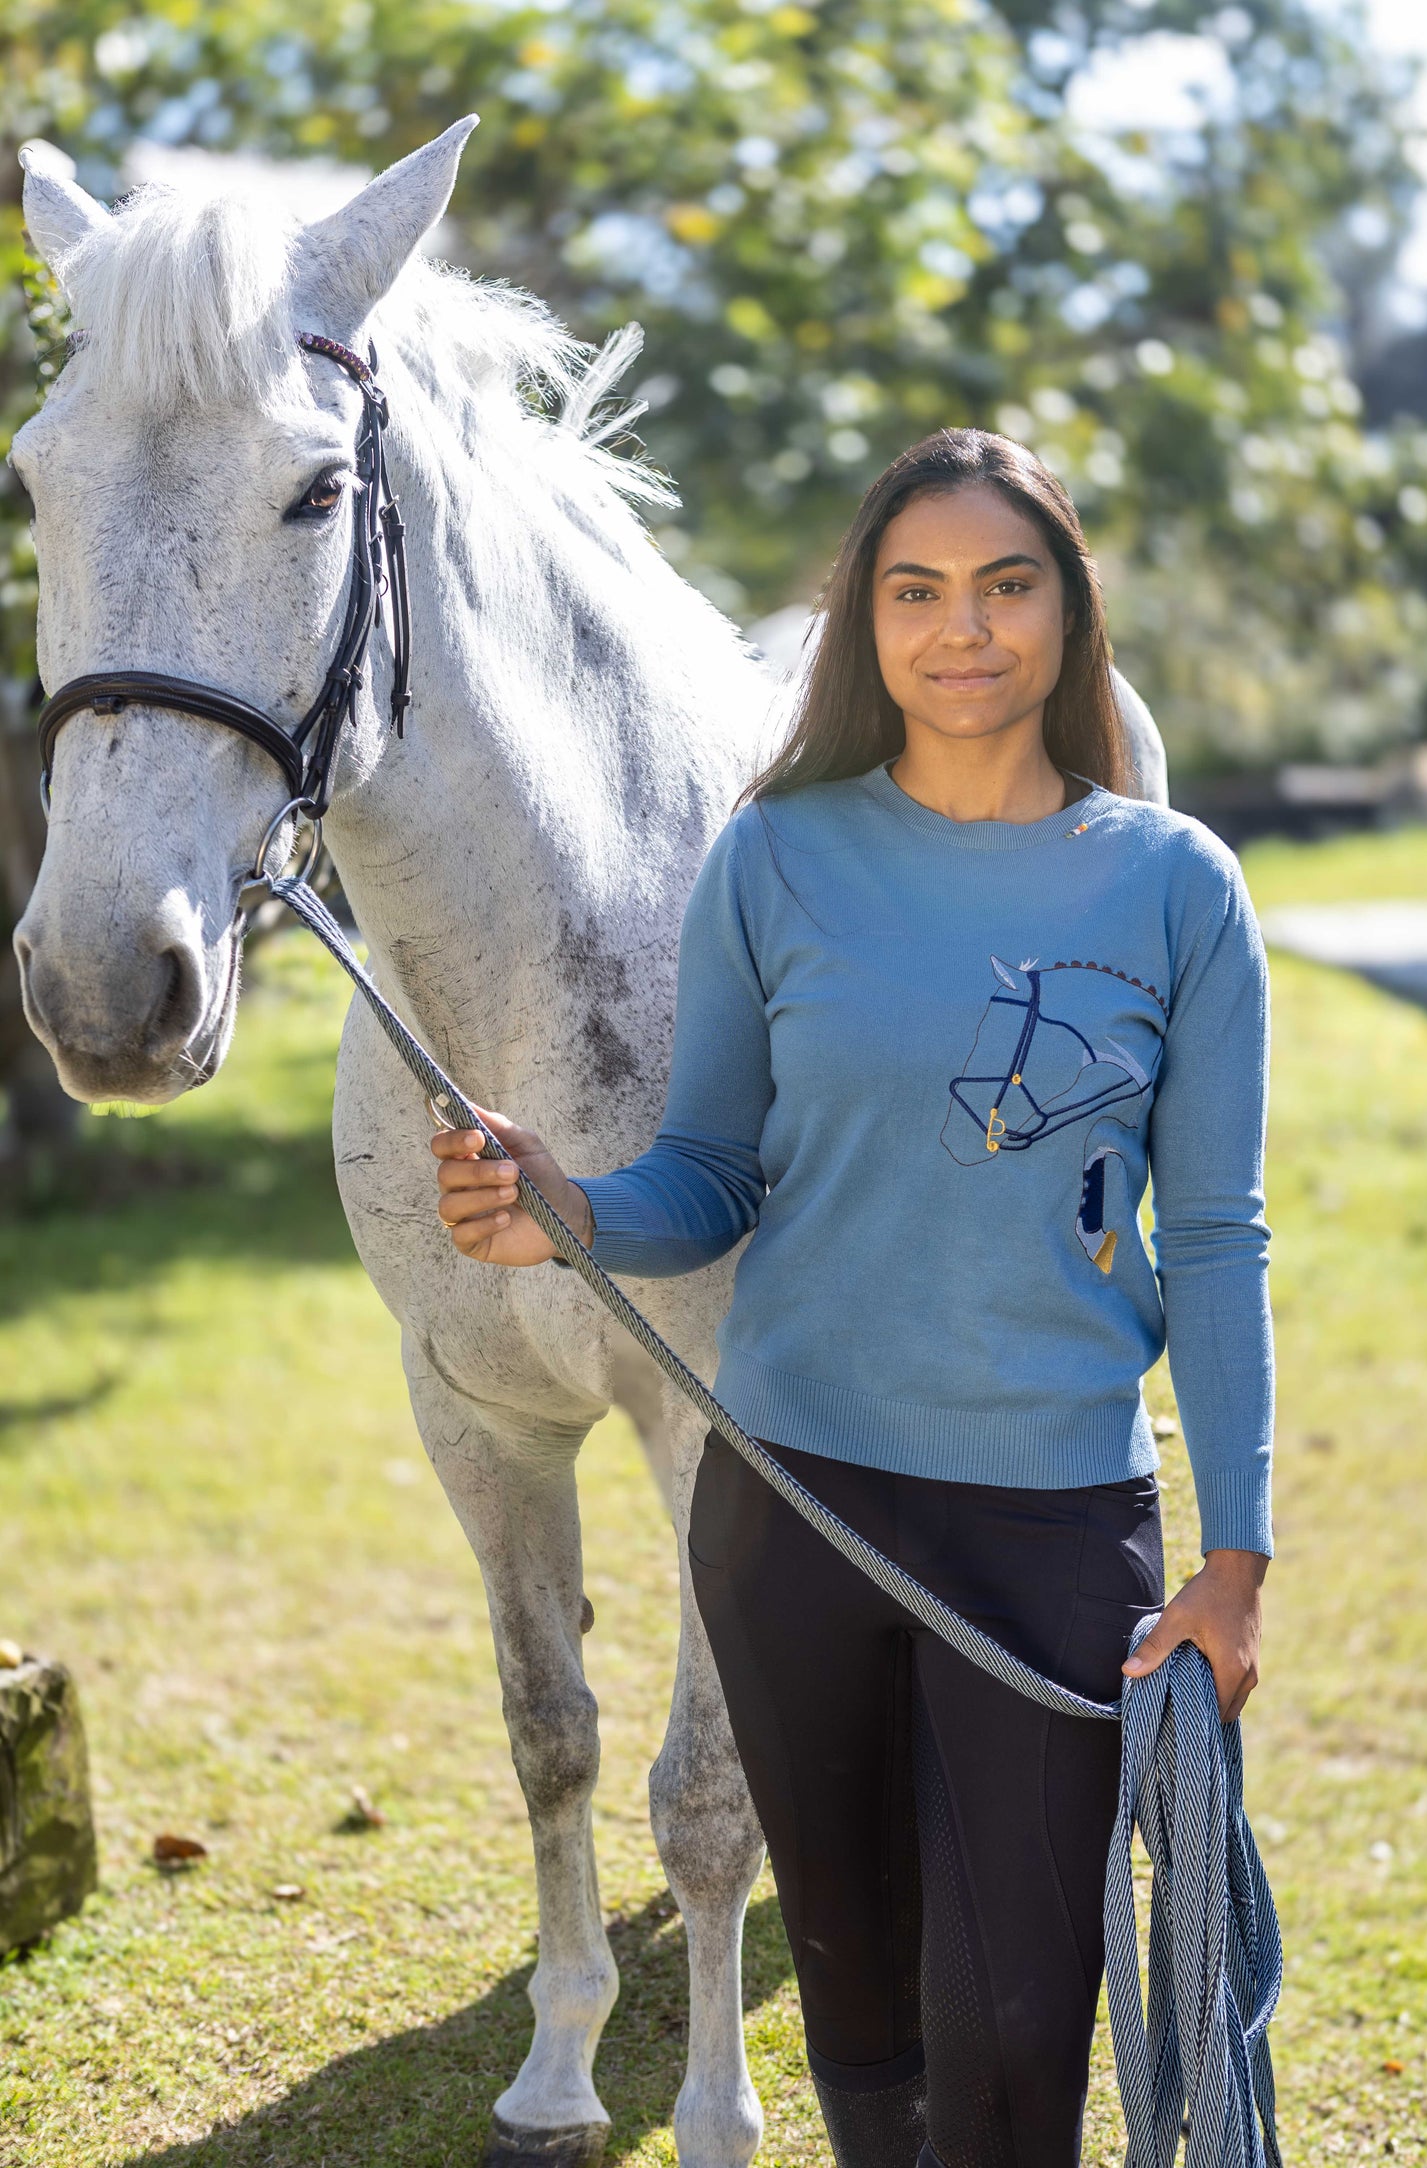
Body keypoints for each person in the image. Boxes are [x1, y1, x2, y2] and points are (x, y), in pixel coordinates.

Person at [431, 429, 1273, 2168]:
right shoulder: (776, 857)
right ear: (862, 626)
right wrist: (569, 1209)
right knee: (859, 2016)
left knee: (1021, 2034)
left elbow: (1215, 1236)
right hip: (791, 1508)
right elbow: (714, 1176)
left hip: (1051, 1530)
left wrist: (1235, 1561)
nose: (960, 629)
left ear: (1065, 611)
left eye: (1003, 584)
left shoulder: (1174, 883)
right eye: (914, 591)